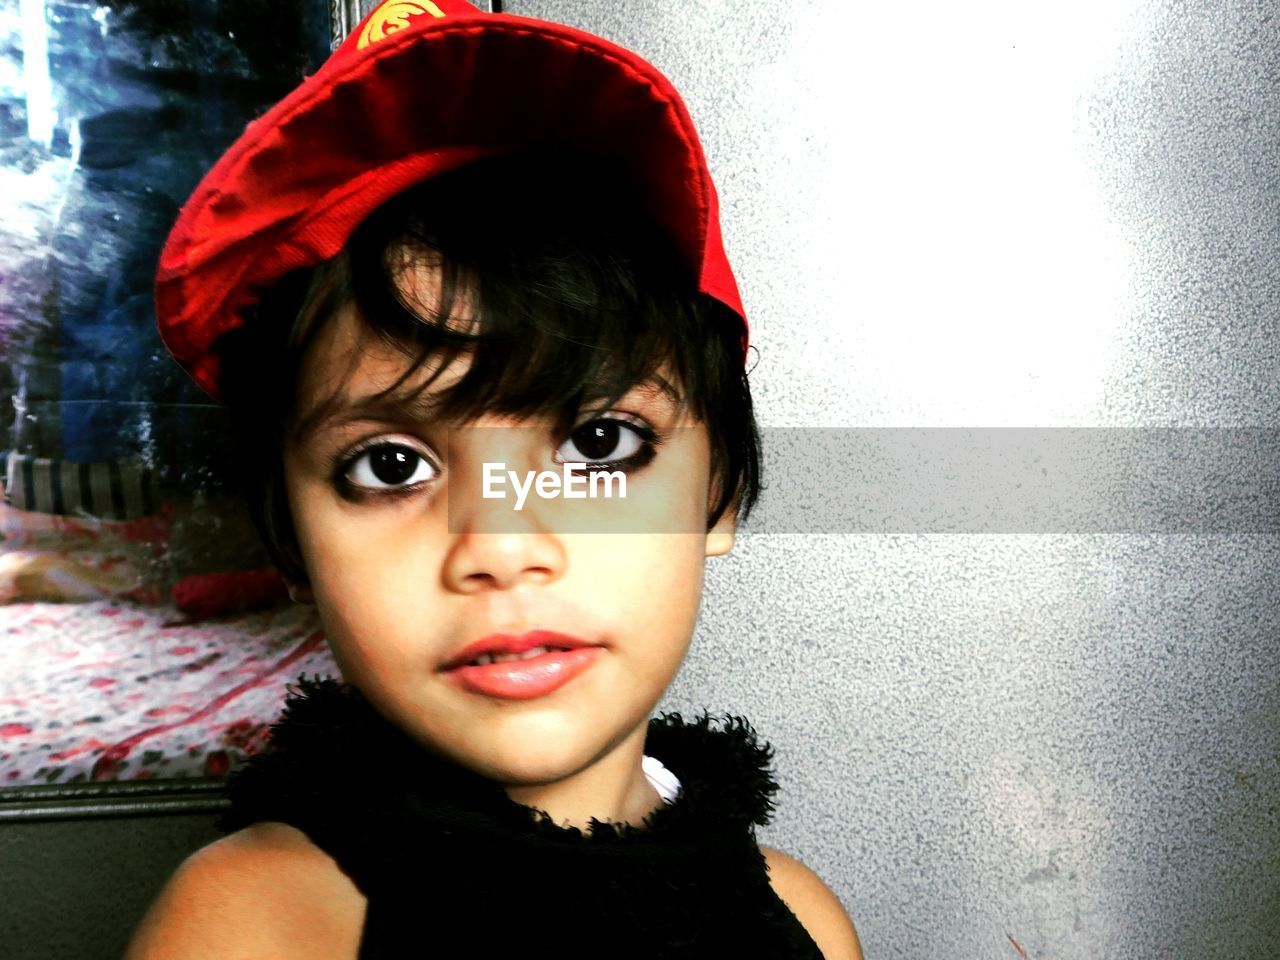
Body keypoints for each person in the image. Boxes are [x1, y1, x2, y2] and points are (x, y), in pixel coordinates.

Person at [127, 1, 863, 957]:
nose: (503, 546)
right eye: (391, 466)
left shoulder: (800, 918)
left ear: (716, 495)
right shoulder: (256, 924)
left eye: (599, 444)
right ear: (294, 544)